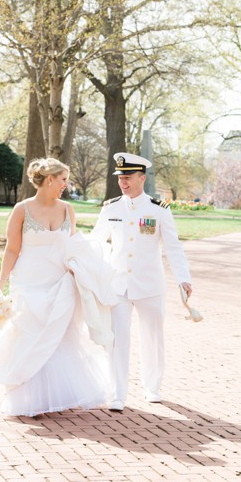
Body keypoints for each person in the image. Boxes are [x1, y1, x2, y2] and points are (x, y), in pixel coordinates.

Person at [0, 158, 114, 416]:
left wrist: (77, 267)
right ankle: (26, 397)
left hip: (60, 282)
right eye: (63, 179)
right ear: (49, 179)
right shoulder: (22, 209)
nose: (66, 184)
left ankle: (54, 396)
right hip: (29, 281)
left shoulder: (68, 209)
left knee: (60, 336)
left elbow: (73, 245)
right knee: (28, 334)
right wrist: (0, 283)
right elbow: (12, 249)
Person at [90, 153, 192, 411]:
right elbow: (96, 242)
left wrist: (183, 278)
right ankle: (117, 393)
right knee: (116, 340)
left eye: (128, 177)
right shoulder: (111, 207)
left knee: (153, 337)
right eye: (120, 178)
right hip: (119, 284)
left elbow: (173, 246)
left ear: (142, 178)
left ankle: (152, 387)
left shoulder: (158, 209)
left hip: (149, 285)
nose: (123, 182)